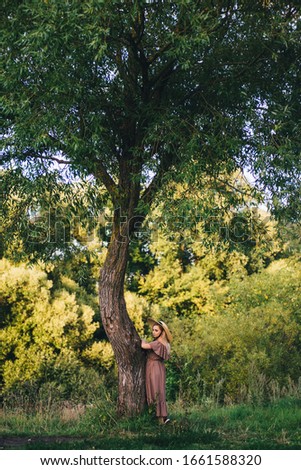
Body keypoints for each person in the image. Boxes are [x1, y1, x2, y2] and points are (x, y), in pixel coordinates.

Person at [141, 318, 172, 424]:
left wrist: (141, 340)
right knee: (158, 390)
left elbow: (143, 346)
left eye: (156, 330)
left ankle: (159, 418)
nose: (153, 332)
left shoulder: (157, 343)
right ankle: (162, 417)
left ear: (162, 332)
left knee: (155, 390)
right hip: (158, 367)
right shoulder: (163, 343)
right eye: (153, 330)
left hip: (154, 368)